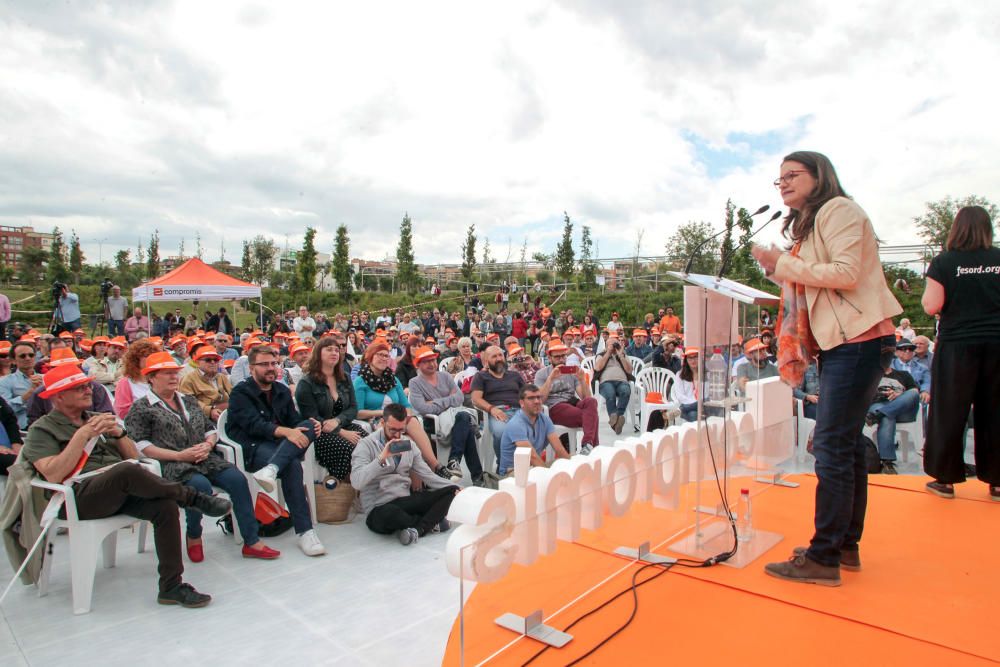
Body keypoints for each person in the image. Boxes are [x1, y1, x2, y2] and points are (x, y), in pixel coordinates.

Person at [752, 150, 901, 586]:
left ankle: (824, 557)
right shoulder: (815, 222)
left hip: (858, 339)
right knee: (847, 444)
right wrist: (780, 266)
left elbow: (845, 273)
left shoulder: (839, 210)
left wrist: (783, 263)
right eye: (778, 178)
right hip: (849, 341)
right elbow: (816, 276)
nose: (782, 184)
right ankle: (843, 545)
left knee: (833, 446)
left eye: (792, 175)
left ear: (820, 177)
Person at [22, 363, 230, 607]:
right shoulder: (42, 429)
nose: (89, 390)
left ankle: (171, 586)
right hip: (76, 498)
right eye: (79, 388)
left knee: (164, 507)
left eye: (88, 385)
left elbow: (134, 457)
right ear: (59, 397)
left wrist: (119, 434)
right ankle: (192, 498)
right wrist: (81, 436)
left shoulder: (97, 419)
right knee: (126, 472)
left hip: (117, 487)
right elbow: (53, 475)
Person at [125, 352, 279, 561]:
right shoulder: (142, 407)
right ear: (151, 377)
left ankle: (251, 540)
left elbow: (209, 429)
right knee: (200, 487)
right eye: (167, 373)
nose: (173, 377)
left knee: (237, 480)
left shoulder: (187, 401)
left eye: (175, 373)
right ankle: (194, 534)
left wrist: (208, 445)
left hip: (205, 457)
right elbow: (141, 445)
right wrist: (179, 455)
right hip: (171, 463)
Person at [921, 205, 1000, 501]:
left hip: (957, 344)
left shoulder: (944, 262)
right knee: (996, 410)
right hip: (997, 342)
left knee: (950, 410)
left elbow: (931, 306)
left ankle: (945, 479)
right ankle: (998, 481)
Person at [227, 344, 327, 556]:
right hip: (254, 448)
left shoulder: (281, 390)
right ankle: (305, 531)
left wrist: (310, 425)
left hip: (280, 447)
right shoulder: (240, 393)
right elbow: (254, 426)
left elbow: (295, 422)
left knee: (310, 425)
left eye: (274, 363)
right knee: (291, 466)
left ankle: (272, 469)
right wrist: (287, 432)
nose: (271, 368)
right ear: (252, 367)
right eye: (264, 364)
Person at [351, 403, 460, 545]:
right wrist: (381, 458)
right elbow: (356, 482)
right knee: (392, 514)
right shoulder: (366, 445)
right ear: (382, 423)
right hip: (378, 508)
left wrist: (457, 488)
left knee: (451, 491)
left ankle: (417, 529)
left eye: (401, 430)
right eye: (392, 430)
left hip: (404, 501)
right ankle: (429, 523)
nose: (397, 435)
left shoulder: (408, 444)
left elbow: (427, 475)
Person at [352, 340, 452, 480]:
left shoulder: (393, 380)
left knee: (412, 423)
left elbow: (407, 406)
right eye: (379, 355)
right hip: (377, 421)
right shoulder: (360, 381)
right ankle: (420, 476)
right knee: (410, 439)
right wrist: (384, 413)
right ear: (370, 357)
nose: (383, 358)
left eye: (386, 356)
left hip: (399, 420)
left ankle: (436, 467)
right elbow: (358, 412)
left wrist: (405, 418)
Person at [408, 345, 485, 485]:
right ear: (418, 364)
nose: (432, 364)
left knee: (463, 417)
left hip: (456, 417)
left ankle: (454, 461)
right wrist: (449, 400)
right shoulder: (415, 383)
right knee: (465, 421)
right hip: (432, 423)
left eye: (433, 360)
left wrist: (435, 402)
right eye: (426, 361)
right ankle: (477, 477)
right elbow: (423, 408)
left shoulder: (444, 376)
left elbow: (460, 398)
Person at [295, 337, 365, 481]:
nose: (334, 352)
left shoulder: (344, 377)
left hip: (343, 423)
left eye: (336, 349)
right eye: (329, 349)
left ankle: (370, 488)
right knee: (348, 449)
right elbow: (311, 417)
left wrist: (338, 421)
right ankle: (348, 490)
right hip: (319, 433)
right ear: (318, 353)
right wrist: (341, 432)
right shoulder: (306, 383)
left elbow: (353, 408)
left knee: (370, 443)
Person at [534, 339, 599, 452]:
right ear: (549, 358)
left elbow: (586, 398)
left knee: (592, 402)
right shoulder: (542, 374)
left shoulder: (572, 372)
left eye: (563, 356)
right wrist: (550, 379)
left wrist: (582, 380)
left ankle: (588, 445)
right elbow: (540, 399)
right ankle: (592, 446)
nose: (561, 360)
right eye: (557, 357)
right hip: (555, 406)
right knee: (592, 416)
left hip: (572, 401)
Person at [25, 349, 114, 426]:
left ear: (79, 367)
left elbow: (107, 417)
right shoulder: (40, 393)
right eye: (60, 369)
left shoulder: (96, 388)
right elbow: (34, 423)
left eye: (71, 367)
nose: (87, 390)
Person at [498, 384, 570, 476]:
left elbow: (559, 449)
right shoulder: (516, 424)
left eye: (538, 397)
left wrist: (571, 470)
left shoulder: (545, 419)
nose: (536, 401)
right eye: (531, 398)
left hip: (534, 467)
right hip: (513, 472)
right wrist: (549, 477)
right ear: (521, 403)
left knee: (572, 460)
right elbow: (532, 457)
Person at [865, 362, 919, 475]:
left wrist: (899, 395)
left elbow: (914, 391)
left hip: (902, 408)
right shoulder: (870, 375)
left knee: (913, 393)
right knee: (888, 417)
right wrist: (881, 394)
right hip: (879, 404)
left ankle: (880, 415)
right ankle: (887, 462)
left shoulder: (903, 374)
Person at [594, 334, 634, 434]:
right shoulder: (601, 355)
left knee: (625, 391)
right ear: (606, 346)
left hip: (622, 381)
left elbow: (629, 371)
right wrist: (608, 352)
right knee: (610, 394)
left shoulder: (623, 355)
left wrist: (620, 355)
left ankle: (617, 418)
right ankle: (615, 417)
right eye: (610, 344)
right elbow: (598, 368)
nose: (613, 346)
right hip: (606, 382)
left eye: (615, 344)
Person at [179, 346, 232, 420]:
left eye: (216, 360)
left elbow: (232, 394)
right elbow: (188, 403)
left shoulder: (222, 377)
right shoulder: (188, 379)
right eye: (208, 360)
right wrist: (209, 411)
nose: (213, 362)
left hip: (228, 413)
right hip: (204, 418)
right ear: (197, 362)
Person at [0, 341, 43, 428]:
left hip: (49, 424)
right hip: (23, 428)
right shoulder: (5, 382)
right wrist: (30, 393)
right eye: (22, 356)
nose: (28, 358)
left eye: (31, 355)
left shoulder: (45, 378)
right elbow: (5, 410)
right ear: (13, 361)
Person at [113, 339, 159, 419]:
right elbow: (123, 413)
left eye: (153, 355)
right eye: (146, 356)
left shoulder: (159, 379)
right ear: (135, 359)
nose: (150, 358)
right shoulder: (125, 383)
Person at [0, 395, 23, 475]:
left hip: (9, 445)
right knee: (19, 464)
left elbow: (10, 420)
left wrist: (15, 442)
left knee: (39, 457)